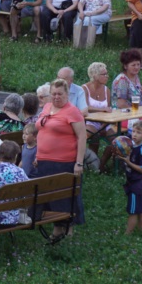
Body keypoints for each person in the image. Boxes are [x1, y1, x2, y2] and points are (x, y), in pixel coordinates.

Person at [34, 78, 87, 235]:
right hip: (44, 161)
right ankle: (57, 229)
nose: (56, 97)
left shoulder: (72, 111)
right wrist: (37, 155)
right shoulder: (47, 107)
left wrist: (79, 163)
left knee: (64, 197)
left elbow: (82, 137)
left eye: (60, 94)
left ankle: (68, 230)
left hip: (64, 162)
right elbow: (42, 131)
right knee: (49, 197)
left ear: (67, 94)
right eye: (54, 94)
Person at [117, 120, 142, 234]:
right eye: (134, 131)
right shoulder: (131, 146)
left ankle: (127, 234)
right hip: (132, 182)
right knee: (140, 210)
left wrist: (128, 162)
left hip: (137, 184)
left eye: (139, 132)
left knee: (133, 211)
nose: (134, 134)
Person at [82, 61, 111, 137]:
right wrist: (102, 110)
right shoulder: (84, 89)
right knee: (91, 136)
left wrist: (104, 125)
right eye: (104, 74)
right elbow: (85, 107)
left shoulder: (106, 90)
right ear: (95, 76)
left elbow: (108, 109)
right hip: (90, 121)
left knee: (115, 139)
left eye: (106, 74)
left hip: (104, 122)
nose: (107, 76)